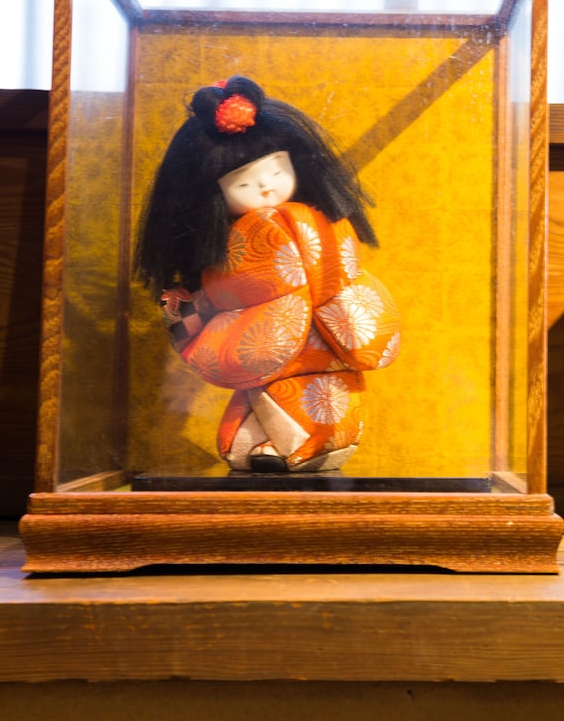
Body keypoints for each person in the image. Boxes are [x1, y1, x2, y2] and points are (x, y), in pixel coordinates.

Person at [134, 76, 399, 473]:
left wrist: (322, 300)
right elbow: (197, 301)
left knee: (314, 402)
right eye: (242, 182)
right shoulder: (225, 247)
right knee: (249, 416)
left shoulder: (317, 224)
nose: (265, 187)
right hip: (251, 340)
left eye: (277, 170)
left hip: (322, 343)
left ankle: (297, 445)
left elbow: (341, 275)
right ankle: (264, 447)